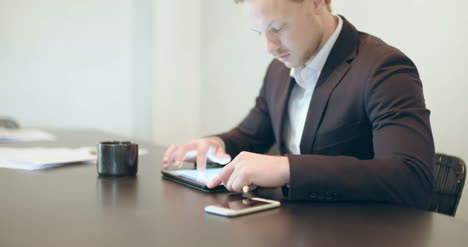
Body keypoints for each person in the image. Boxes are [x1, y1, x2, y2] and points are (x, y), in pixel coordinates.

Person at [162, 0, 434, 209]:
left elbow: (411, 178)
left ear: (317, 2)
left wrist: (288, 168)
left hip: (360, 233)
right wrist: (217, 145)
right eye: (260, 33)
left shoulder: (382, 68)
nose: (269, 46)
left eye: (278, 28)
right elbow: (251, 136)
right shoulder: (279, 70)